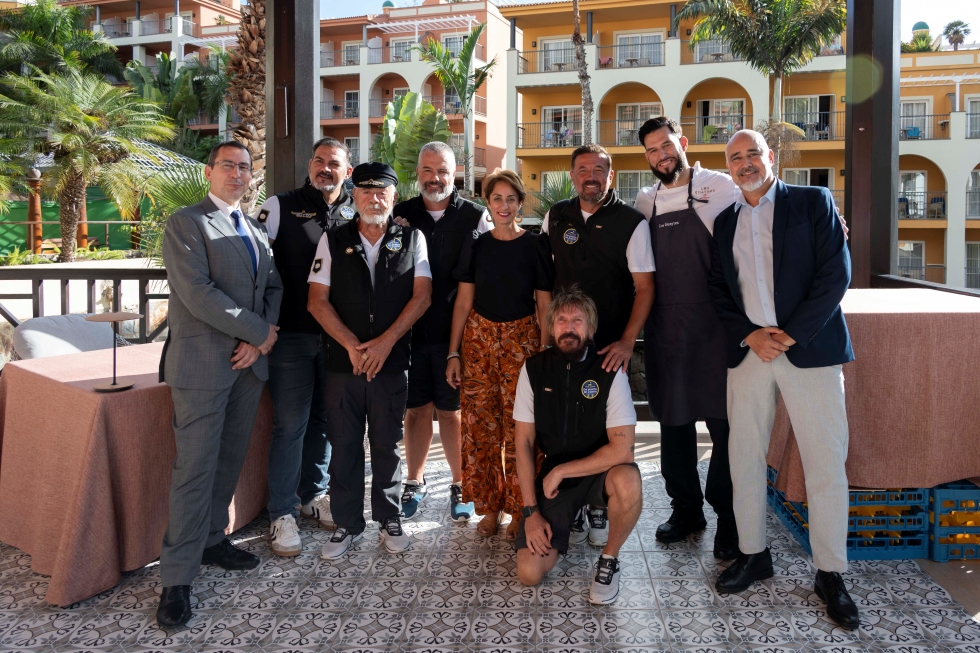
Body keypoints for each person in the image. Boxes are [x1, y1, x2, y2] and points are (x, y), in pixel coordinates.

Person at [708, 129, 859, 630]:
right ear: (728, 168)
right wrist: (752, 336)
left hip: (809, 350)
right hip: (751, 353)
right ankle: (754, 554)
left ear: (770, 158)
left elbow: (835, 275)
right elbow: (718, 291)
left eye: (753, 153)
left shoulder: (814, 201)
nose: (746, 163)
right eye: (736, 157)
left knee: (824, 461)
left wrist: (788, 336)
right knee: (743, 456)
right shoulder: (724, 221)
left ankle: (830, 572)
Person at [156, 141, 283, 628]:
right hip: (203, 367)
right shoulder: (186, 222)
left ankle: (211, 541)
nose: (237, 173)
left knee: (228, 460)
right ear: (209, 172)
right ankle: (175, 579)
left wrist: (262, 343)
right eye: (227, 165)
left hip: (247, 366)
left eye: (245, 167)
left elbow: (273, 288)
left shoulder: (254, 228)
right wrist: (258, 332)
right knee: (194, 468)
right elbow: (198, 293)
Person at [307, 162, 432, 559]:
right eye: (365, 191)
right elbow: (316, 301)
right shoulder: (332, 239)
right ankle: (346, 524)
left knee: (386, 444)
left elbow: (422, 296)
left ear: (394, 196)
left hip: (390, 364)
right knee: (344, 444)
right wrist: (351, 346)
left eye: (382, 191)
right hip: (344, 366)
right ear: (354, 195)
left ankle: (390, 518)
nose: (374, 197)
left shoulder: (413, 239)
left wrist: (383, 345)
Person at [632, 116, 739, 560]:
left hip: (717, 330)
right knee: (673, 426)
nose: (661, 155)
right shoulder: (644, 201)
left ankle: (730, 519)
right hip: (666, 332)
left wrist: (832, 220)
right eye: (652, 151)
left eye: (666, 145)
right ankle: (686, 511)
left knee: (726, 428)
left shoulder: (722, 186)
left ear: (683, 142)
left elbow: (769, 207)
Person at [540, 143, 654, 547]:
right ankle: (573, 502)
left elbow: (644, 288)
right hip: (566, 346)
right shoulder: (556, 217)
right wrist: (545, 343)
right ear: (572, 175)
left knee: (605, 429)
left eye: (600, 169)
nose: (591, 175)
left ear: (612, 176)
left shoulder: (632, 222)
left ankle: (600, 507)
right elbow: (544, 283)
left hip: (608, 350)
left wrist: (627, 342)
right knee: (566, 425)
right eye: (583, 168)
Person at [253, 137, 356, 557]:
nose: (325, 168)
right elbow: (254, 266)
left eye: (334, 163)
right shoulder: (279, 206)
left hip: (337, 339)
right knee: (290, 425)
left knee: (324, 423)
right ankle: (282, 513)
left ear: (347, 171)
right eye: (318, 161)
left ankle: (312, 496)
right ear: (310, 165)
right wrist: (261, 326)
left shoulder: (358, 209)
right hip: (291, 337)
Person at [513, 287, 643, 606]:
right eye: (561, 319)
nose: (568, 327)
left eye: (577, 320)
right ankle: (572, 516)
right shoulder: (533, 369)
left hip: (601, 473)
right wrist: (531, 512)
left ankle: (609, 559)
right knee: (529, 572)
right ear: (551, 326)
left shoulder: (609, 370)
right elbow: (524, 443)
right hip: (557, 485)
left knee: (628, 479)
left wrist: (561, 471)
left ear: (591, 328)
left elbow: (623, 451)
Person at [446, 169, 553, 540]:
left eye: (511, 199)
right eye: (497, 199)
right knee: (479, 428)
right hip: (477, 342)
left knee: (521, 429)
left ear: (520, 204)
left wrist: (545, 351)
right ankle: (489, 508)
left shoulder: (536, 245)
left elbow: (544, 303)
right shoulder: (476, 244)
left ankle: (523, 508)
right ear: (487, 204)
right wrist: (453, 353)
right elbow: (463, 301)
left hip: (522, 343)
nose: (503, 206)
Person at [392, 142, 489, 521]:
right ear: (417, 173)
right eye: (428, 170)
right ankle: (414, 482)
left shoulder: (475, 217)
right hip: (409, 333)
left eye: (443, 171)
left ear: (455, 173)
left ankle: (460, 482)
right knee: (415, 411)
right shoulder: (399, 215)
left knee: (452, 413)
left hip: (457, 336)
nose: (435, 178)